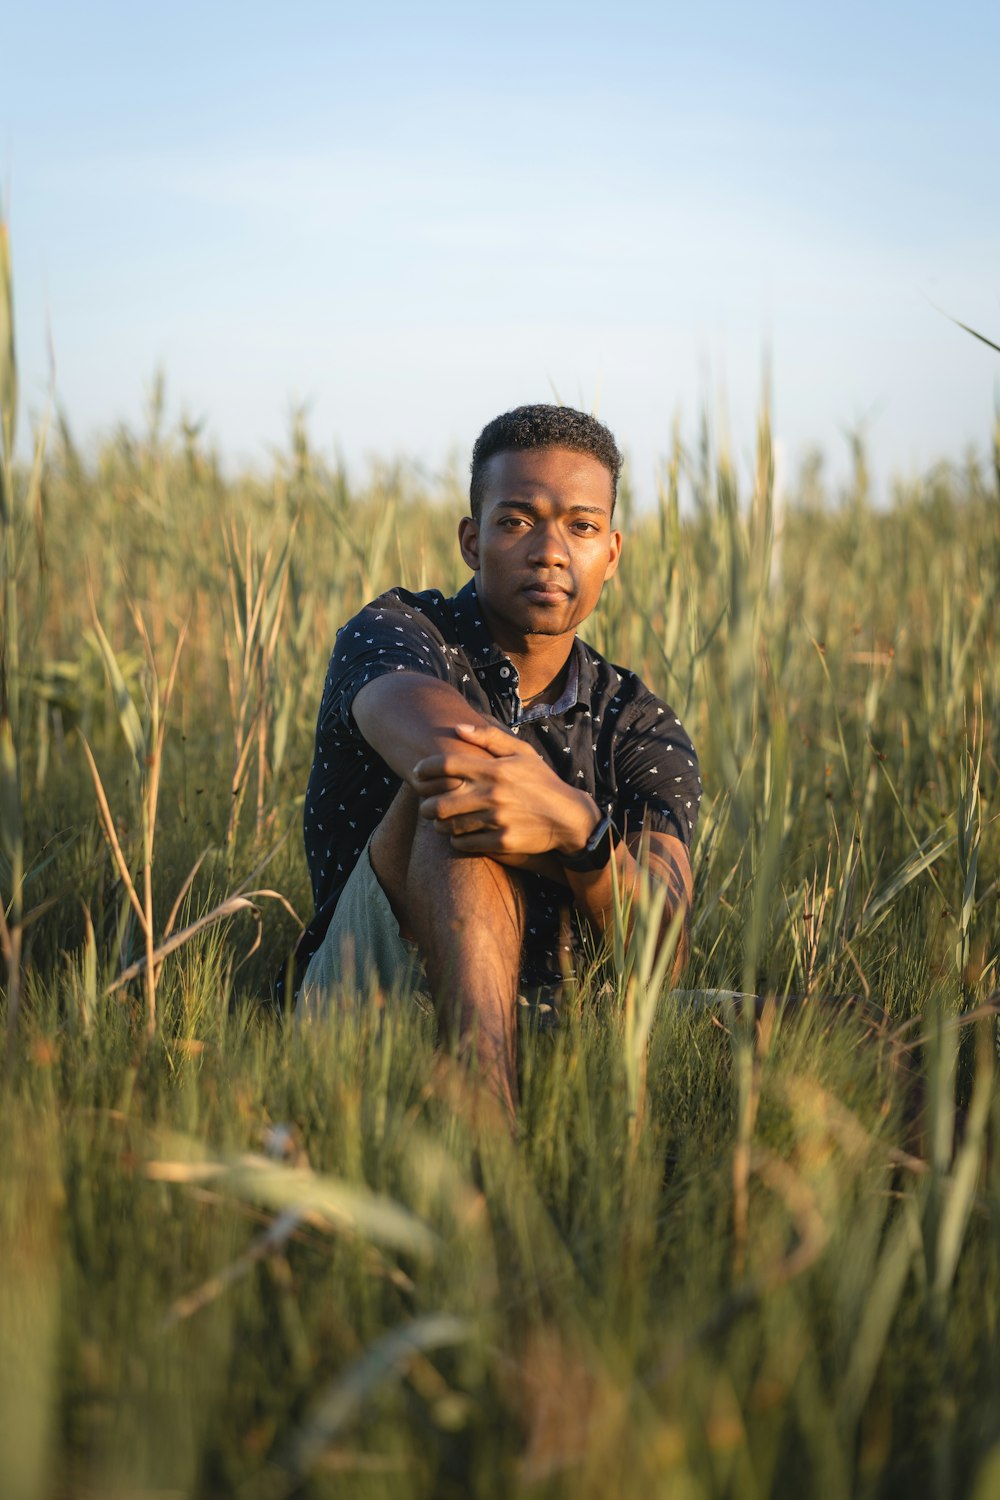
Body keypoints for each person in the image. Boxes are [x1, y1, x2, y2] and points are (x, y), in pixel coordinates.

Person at [291, 405, 702, 1118]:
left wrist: (581, 833)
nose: (550, 550)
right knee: (450, 801)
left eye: (580, 525)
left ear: (612, 551)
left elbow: (663, 953)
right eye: (517, 521)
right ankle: (485, 1144)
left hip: (567, 1007)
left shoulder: (640, 725)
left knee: (846, 1031)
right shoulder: (396, 632)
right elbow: (465, 768)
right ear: (472, 541)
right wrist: (565, 838)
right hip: (373, 998)